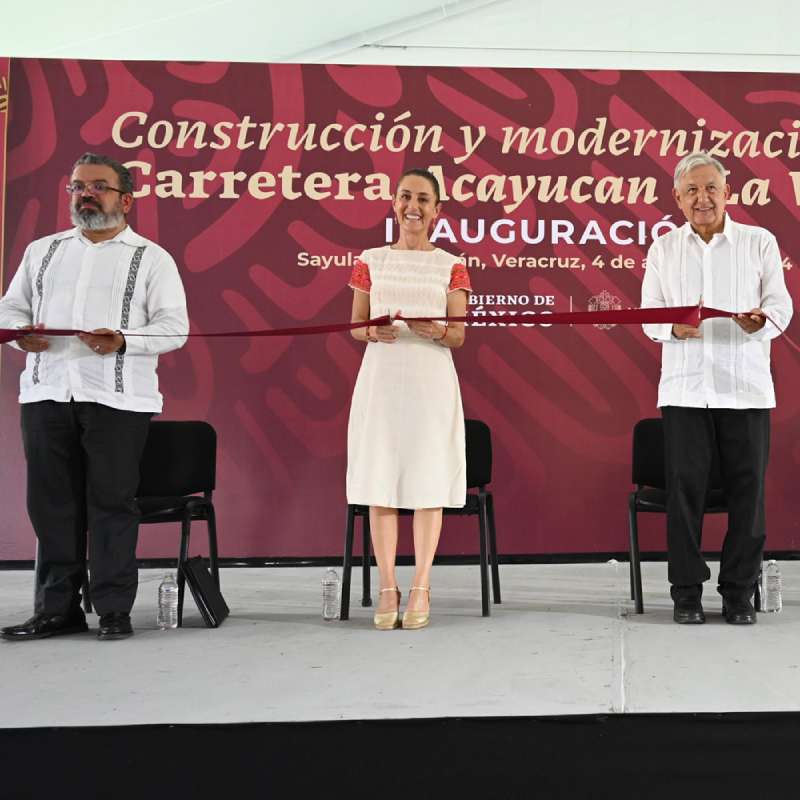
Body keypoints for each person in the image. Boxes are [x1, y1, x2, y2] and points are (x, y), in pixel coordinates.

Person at [0, 152, 188, 641]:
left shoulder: (151, 258)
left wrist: (122, 339)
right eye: (78, 186)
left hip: (117, 398)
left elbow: (175, 328)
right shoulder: (43, 252)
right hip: (46, 392)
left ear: (125, 199)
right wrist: (22, 333)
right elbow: (10, 309)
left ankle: (112, 609)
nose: (86, 194)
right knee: (52, 505)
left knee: (111, 503)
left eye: (98, 186)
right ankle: (56, 610)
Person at [641, 151, 792, 625]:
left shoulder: (758, 242)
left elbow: (781, 308)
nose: (702, 198)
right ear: (677, 199)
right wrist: (672, 329)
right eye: (691, 191)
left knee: (749, 496)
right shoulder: (664, 248)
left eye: (710, 188)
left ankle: (738, 593)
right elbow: (650, 316)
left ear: (728, 192)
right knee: (684, 495)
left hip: (745, 389)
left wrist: (760, 323)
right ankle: (686, 594)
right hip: (685, 390)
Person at [347, 168, 471, 630]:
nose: (412, 206)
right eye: (405, 197)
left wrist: (434, 330)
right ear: (394, 204)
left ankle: (420, 583)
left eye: (423, 198)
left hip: (430, 380)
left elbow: (457, 335)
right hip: (382, 378)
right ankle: (386, 585)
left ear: (437, 210)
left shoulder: (451, 264)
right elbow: (356, 324)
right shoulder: (371, 260)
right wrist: (372, 331)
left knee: (426, 481)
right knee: (380, 478)